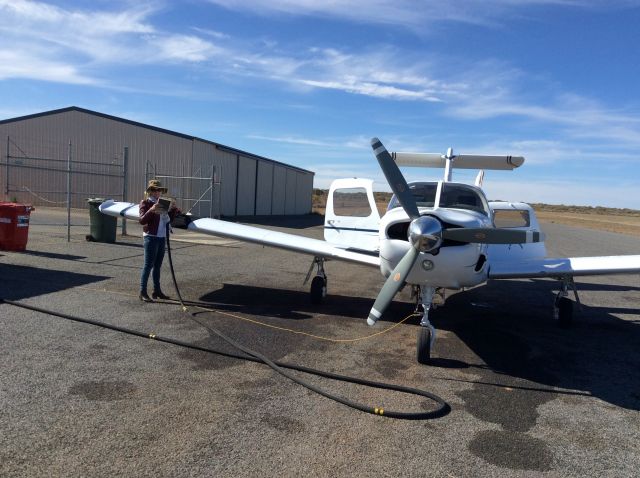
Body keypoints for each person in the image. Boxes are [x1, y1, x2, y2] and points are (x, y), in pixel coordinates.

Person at [138, 179, 180, 302]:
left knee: (157, 266)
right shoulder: (145, 203)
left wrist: (172, 209)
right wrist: (151, 210)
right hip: (151, 237)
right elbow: (142, 220)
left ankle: (157, 290)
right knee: (148, 265)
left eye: (159, 190)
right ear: (150, 191)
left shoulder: (162, 203)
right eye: (155, 190)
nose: (157, 192)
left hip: (161, 237)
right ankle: (142, 291)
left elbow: (168, 220)